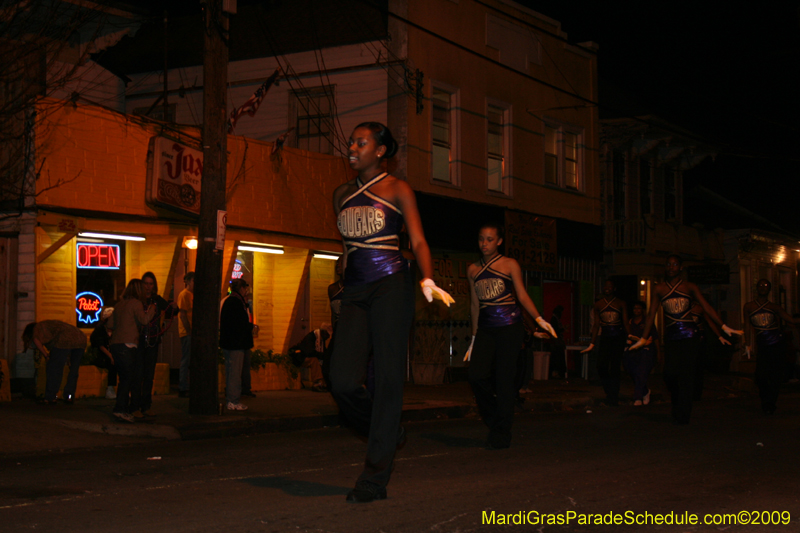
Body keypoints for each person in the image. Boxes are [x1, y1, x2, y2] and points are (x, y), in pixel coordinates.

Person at [329, 122, 454, 503]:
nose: (352, 147)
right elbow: (349, 248)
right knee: (342, 380)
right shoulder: (340, 195)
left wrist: (428, 279)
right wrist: (340, 286)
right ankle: (388, 429)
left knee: (386, 380)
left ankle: (374, 477)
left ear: (380, 151)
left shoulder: (398, 189)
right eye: (351, 141)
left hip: (391, 287)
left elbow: (416, 239)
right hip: (355, 291)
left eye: (361, 142)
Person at [465, 222, 557, 450]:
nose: (484, 243)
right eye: (481, 238)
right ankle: (495, 419)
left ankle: (501, 432)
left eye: (489, 239)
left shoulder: (509, 264)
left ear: (499, 241)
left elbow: (522, 295)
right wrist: (474, 337)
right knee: (476, 376)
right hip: (486, 328)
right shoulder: (472, 270)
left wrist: (539, 319)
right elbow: (475, 305)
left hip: (509, 327)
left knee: (504, 381)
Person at [630, 255, 741, 424]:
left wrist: (723, 326)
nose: (671, 267)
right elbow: (651, 314)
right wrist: (643, 338)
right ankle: (677, 403)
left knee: (686, 376)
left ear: (680, 268)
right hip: (672, 336)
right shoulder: (659, 289)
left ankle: (683, 413)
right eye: (668, 264)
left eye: (675, 264)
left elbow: (706, 307)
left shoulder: (689, 287)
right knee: (670, 374)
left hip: (690, 336)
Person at [742, 279, 799, 414]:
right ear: (757, 288)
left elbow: (790, 320)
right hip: (762, 345)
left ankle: (770, 402)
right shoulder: (749, 306)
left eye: (766, 286)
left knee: (775, 375)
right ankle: (765, 398)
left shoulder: (774, 307)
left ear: (769, 289)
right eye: (760, 285)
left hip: (777, 344)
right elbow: (747, 325)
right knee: (761, 375)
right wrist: (747, 344)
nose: (763, 288)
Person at [107, 279, 155, 422]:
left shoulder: (119, 304)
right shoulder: (136, 303)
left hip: (116, 345)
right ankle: (120, 409)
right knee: (127, 379)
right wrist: (152, 309)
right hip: (128, 345)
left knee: (124, 377)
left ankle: (121, 408)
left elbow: (110, 324)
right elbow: (145, 320)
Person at [131, 272, 174, 418]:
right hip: (138, 341)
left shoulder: (156, 300)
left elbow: (172, 310)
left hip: (153, 341)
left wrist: (173, 306)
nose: (148, 287)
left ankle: (146, 406)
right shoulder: (137, 300)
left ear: (154, 285)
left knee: (149, 375)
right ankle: (134, 406)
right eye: (146, 284)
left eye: (151, 284)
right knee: (137, 374)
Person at [582, 280, 630, 406]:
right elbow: (596, 325)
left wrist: (630, 337)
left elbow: (625, 322)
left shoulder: (621, 303)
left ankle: (613, 395)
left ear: (614, 288)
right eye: (605, 286)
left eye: (610, 286)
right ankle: (609, 390)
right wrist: (592, 343)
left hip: (618, 337)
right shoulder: (598, 304)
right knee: (601, 365)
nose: (607, 288)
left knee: (614, 367)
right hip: (605, 337)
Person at [27, 320, 88, 404]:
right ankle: (69, 396)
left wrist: (46, 355)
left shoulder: (38, 327)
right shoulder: (53, 324)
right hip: (81, 338)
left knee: (54, 369)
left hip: (64, 340)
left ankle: (50, 397)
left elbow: (36, 340)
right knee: (73, 369)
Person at [220, 279, 258, 411]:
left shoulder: (231, 301)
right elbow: (238, 323)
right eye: (245, 288)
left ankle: (232, 400)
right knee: (235, 373)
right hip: (235, 343)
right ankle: (233, 401)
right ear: (241, 288)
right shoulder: (235, 302)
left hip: (231, 342)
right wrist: (250, 327)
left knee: (232, 372)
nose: (246, 291)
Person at [689, 300, 730, 401]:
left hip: (698, 341)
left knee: (697, 367)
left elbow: (710, 322)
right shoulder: (680, 308)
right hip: (686, 341)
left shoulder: (699, 308)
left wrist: (720, 336)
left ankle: (696, 393)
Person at [624, 301, 658, 406]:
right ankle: (645, 391)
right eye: (635, 308)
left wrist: (658, 353)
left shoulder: (648, 322)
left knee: (641, 372)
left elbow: (655, 337)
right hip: (633, 351)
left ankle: (638, 397)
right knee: (632, 372)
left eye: (639, 308)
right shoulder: (630, 322)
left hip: (646, 350)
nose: (636, 310)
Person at [289, 324, 332, 392]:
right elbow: (309, 352)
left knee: (324, 361)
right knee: (314, 360)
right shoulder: (311, 337)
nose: (328, 337)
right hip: (300, 357)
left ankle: (325, 382)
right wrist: (323, 356)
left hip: (307, 356)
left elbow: (323, 351)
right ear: (323, 332)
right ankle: (317, 382)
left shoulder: (321, 339)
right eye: (327, 334)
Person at [90, 307, 117, 399]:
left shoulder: (116, 329)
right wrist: (111, 356)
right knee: (112, 364)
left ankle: (125, 389)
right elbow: (100, 345)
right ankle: (110, 389)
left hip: (111, 353)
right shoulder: (100, 328)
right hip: (101, 355)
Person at [177, 271, 194, 398]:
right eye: (193, 281)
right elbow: (182, 314)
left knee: (190, 359)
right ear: (187, 281)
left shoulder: (192, 295)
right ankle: (183, 386)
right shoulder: (184, 295)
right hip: (187, 332)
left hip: (191, 331)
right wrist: (189, 330)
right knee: (186, 359)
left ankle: (187, 385)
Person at [549, 305, 567, 379]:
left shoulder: (555, 319)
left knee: (557, 357)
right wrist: (563, 329)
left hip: (556, 341)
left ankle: (556, 372)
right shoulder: (554, 319)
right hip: (556, 342)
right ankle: (557, 372)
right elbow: (556, 330)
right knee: (557, 357)